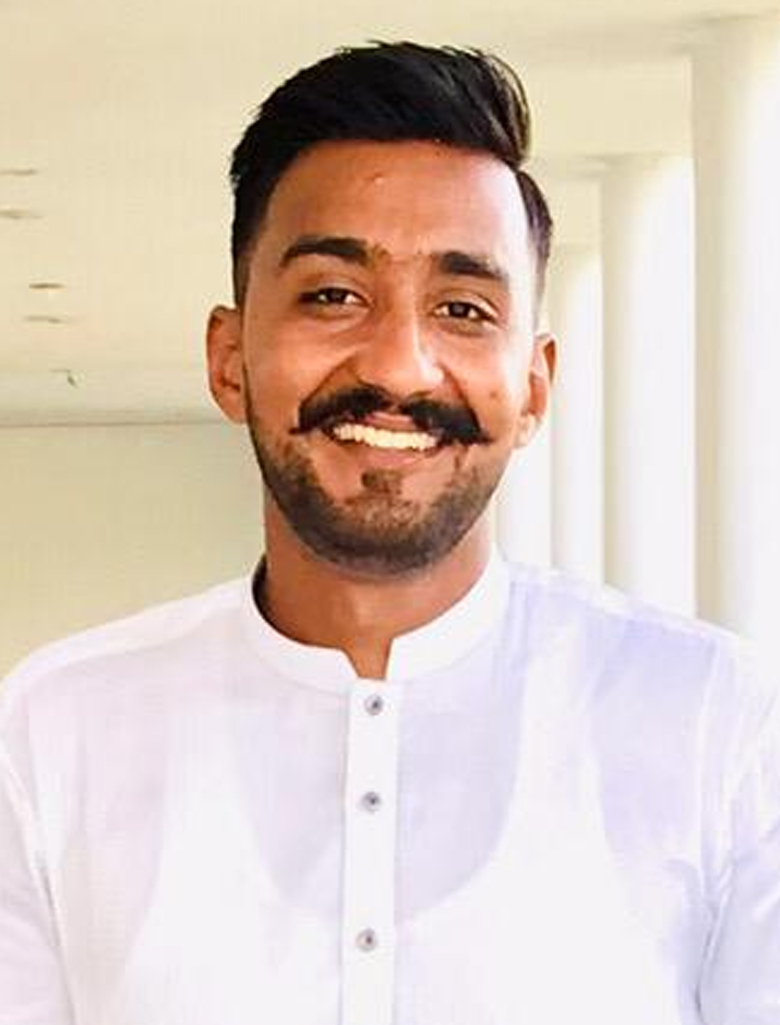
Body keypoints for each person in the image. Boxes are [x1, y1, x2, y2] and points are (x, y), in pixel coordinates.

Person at [1, 41, 778, 1025]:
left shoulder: (718, 726)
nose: (400, 366)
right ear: (230, 359)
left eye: (463, 308)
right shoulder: (56, 731)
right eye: (334, 296)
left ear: (534, 386)